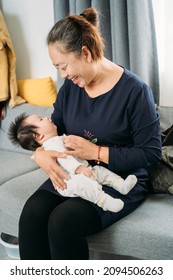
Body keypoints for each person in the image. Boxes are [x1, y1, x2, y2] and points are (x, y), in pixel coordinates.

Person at [18, 7, 162, 260]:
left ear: (85, 53)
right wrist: (40, 153)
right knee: (32, 214)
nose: (62, 75)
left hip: (119, 178)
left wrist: (96, 152)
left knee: (63, 222)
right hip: (74, 169)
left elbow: (150, 154)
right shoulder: (70, 88)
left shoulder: (135, 91)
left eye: (64, 66)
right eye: (58, 68)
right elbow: (55, 127)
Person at [8, 113, 137, 212]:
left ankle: (120, 184)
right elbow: (64, 159)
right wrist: (80, 169)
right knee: (85, 185)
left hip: (85, 169)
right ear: (38, 136)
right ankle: (104, 201)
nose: (47, 117)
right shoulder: (51, 145)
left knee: (100, 171)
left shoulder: (58, 138)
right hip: (69, 180)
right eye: (41, 119)